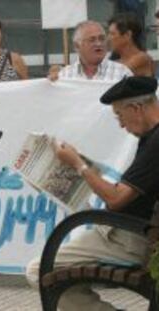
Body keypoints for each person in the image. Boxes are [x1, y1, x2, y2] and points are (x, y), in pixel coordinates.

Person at [26, 76, 159, 311]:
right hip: (130, 230)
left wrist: (79, 165)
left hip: (132, 238)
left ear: (136, 108)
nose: (121, 125)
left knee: (39, 271)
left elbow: (116, 199)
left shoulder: (156, 142)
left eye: (119, 115)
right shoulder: (150, 138)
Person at [48, 21, 133, 81]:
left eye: (102, 39)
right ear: (77, 46)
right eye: (92, 40)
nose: (98, 43)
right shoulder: (64, 76)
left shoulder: (122, 73)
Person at [108, 13, 155, 77]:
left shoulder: (142, 58)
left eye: (112, 34)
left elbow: (114, 76)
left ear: (127, 35)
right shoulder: (116, 60)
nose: (108, 38)